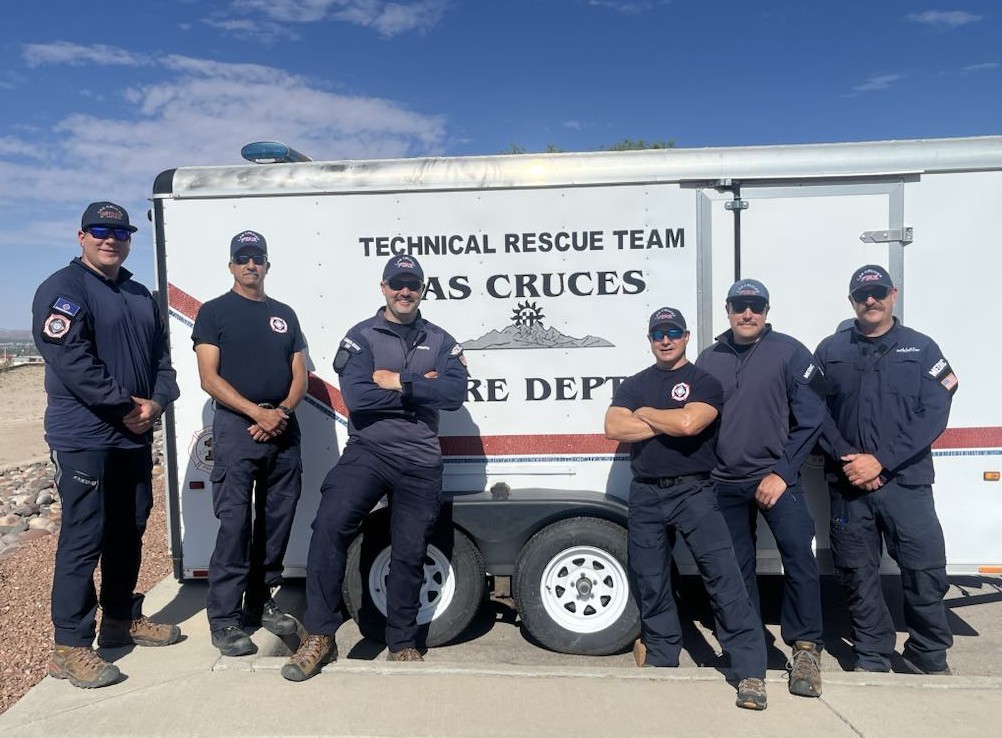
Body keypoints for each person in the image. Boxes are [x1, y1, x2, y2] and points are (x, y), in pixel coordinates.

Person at [282, 254, 468, 681]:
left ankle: (401, 642)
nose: (406, 291)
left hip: (421, 462)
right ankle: (320, 636)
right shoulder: (361, 336)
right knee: (328, 526)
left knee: (409, 552)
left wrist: (399, 381)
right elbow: (359, 397)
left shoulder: (440, 338)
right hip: (369, 452)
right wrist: (426, 386)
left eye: (414, 285)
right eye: (398, 283)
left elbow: (456, 393)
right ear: (383, 287)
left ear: (423, 290)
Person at [31, 201, 181, 689]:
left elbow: (163, 359)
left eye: (120, 231)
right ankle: (70, 646)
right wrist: (125, 406)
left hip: (132, 436)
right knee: (84, 536)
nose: (110, 238)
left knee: (129, 529)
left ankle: (119, 619)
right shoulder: (64, 289)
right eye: (100, 230)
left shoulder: (138, 294)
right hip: (85, 437)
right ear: (81, 236)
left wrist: (155, 405)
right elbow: (70, 359)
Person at [604, 307, 768, 711]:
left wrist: (645, 415)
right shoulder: (635, 383)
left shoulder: (703, 381)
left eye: (673, 332)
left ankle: (748, 670)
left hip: (693, 491)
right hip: (644, 493)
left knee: (723, 577)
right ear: (650, 338)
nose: (665, 339)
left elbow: (691, 425)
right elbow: (613, 427)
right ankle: (663, 658)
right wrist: (668, 420)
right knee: (651, 579)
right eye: (658, 333)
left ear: (686, 336)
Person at [815, 264, 957, 675]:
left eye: (878, 292)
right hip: (849, 485)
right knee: (857, 575)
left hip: (905, 482)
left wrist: (882, 460)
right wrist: (849, 459)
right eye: (862, 295)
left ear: (892, 294)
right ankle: (872, 655)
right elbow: (814, 412)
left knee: (924, 571)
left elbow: (935, 412)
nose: (871, 300)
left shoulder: (922, 348)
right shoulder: (830, 351)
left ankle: (928, 655)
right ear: (852, 302)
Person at [696, 279, 826, 697]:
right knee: (735, 571)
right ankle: (748, 651)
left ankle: (806, 649)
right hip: (724, 483)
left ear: (767, 310)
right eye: (740, 305)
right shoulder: (709, 357)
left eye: (755, 306)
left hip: (776, 478)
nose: (747, 313)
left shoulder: (789, 352)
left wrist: (782, 472)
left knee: (799, 559)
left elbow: (811, 418)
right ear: (728, 309)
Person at [191, 230, 309, 656]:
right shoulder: (214, 312)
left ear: (267, 265)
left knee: (276, 523)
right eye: (242, 258)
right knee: (236, 527)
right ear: (231, 266)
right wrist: (256, 413)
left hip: (282, 429)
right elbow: (209, 378)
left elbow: (300, 374)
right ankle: (224, 618)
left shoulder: (285, 315)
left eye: (257, 258)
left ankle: (260, 604)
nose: (250, 265)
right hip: (237, 432)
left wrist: (281, 413)